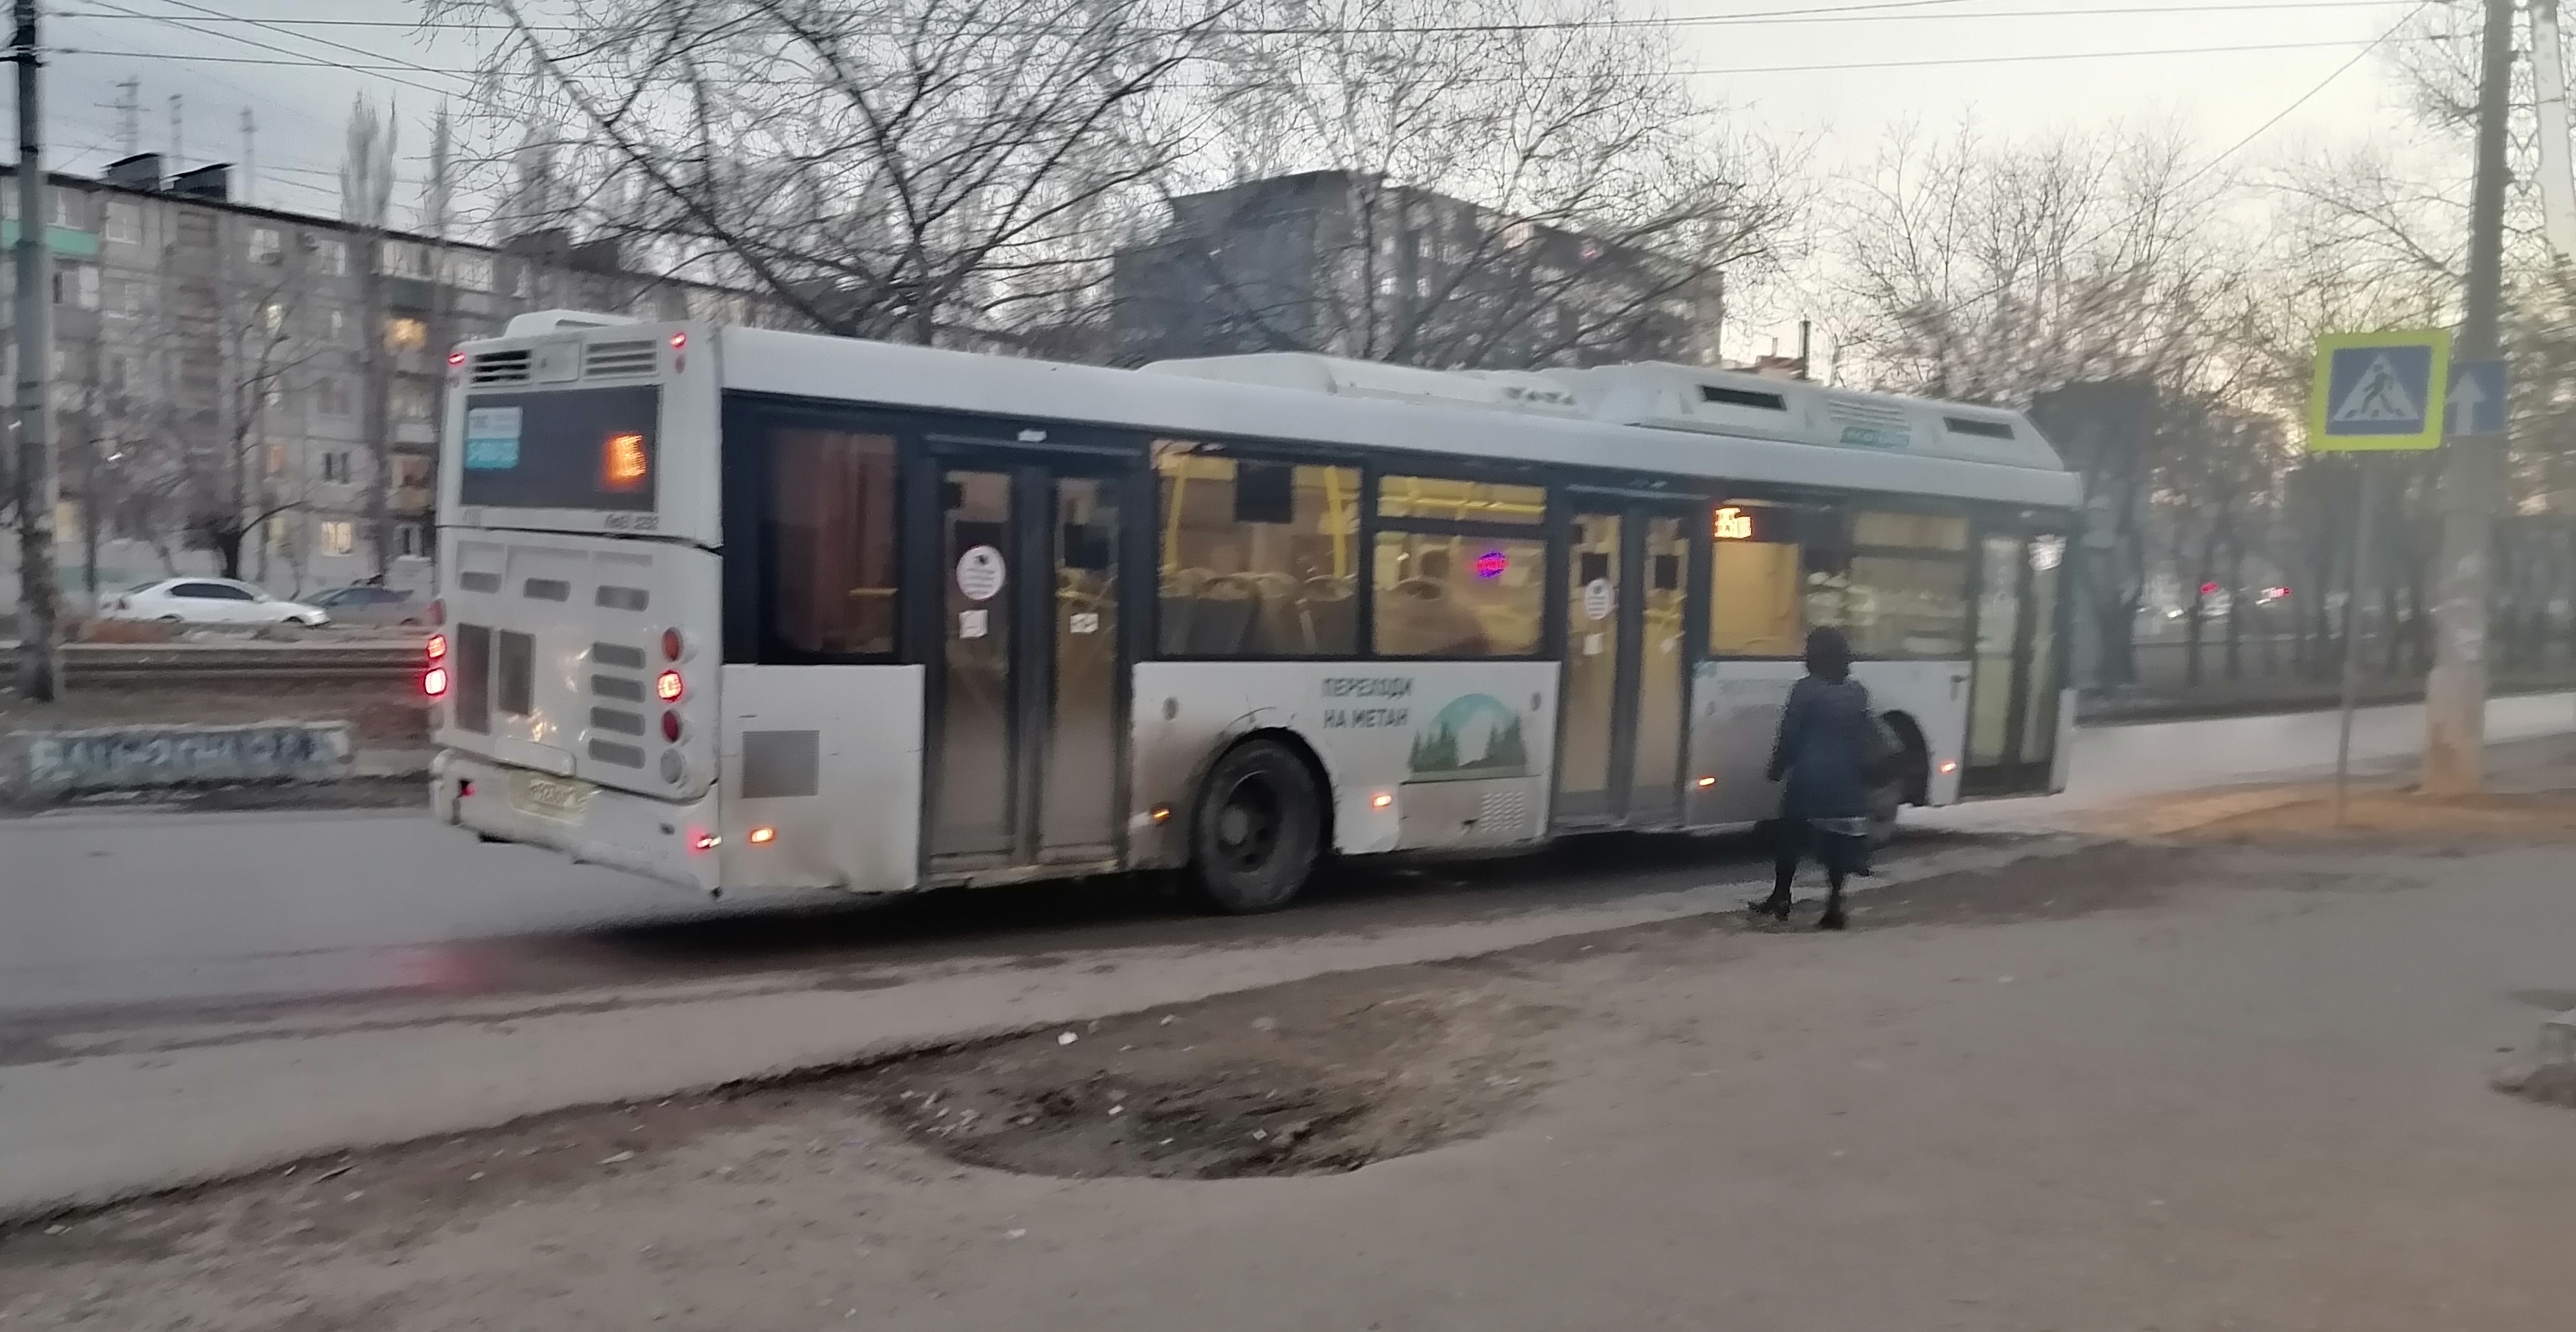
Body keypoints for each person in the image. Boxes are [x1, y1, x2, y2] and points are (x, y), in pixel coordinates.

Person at [1749, 626, 1873, 930]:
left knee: (1789, 836)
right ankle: (1834, 906)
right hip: (1846, 782)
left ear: (1819, 658)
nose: (1805, 658)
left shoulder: (1806, 690)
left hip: (1810, 778)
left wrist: (1776, 768)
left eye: (1809, 652)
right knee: (1837, 843)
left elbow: (1789, 735)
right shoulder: (1857, 692)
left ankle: (1781, 896)